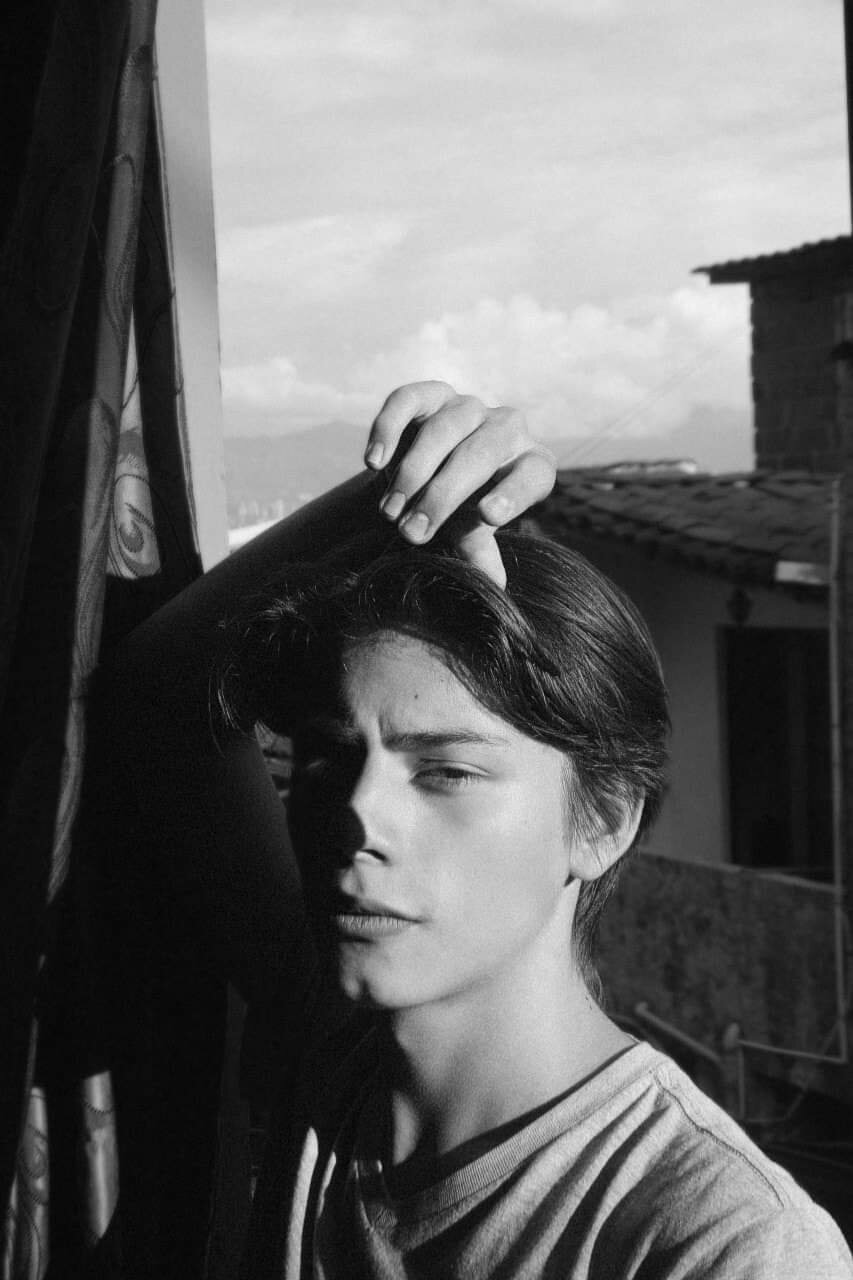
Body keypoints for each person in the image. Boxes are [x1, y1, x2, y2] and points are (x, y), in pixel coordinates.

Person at [109, 382, 853, 1278]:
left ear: (602, 820)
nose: (355, 818)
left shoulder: (720, 1240)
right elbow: (164, 690)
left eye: (446, 772)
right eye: (329, 757)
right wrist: (390, 505)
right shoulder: (329, 1053)